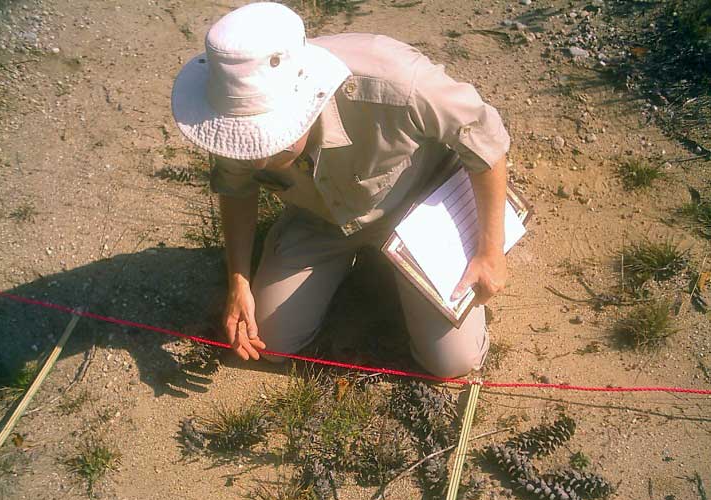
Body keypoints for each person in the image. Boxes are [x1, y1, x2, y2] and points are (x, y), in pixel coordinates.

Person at [171, 2, 510, 378]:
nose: (255, 160)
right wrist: (239, 280)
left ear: (308, 101)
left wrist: (489, 250)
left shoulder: (397, 82)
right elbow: (236, 189)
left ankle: (399, 273)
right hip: (321, 218)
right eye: (245, 144)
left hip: (419, 204)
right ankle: (356, 265)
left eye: (269, 143)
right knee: (269, 340)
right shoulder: (236, 102)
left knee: (453, 363)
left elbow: (486, 141)